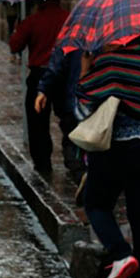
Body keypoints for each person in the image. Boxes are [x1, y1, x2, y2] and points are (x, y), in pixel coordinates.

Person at [75, 34, 140, 278]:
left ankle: (121, 255)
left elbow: (83, 107)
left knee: (95, 203)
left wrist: (85, 71)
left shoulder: (108, 63)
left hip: (116, 146)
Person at [8, 0, 69, 173]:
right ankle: (73, 159)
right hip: (63, 75)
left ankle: (43, 163)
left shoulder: (32, 21)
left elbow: (15, 45)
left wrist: (18, 28)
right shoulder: (68, 18)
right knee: (68, 118)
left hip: (39, 75)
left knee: (37, 123)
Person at [35, 47, 87, 188]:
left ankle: (81, 174)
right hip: (96, 100)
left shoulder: (72, 38)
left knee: (72, 140)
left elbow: (55, 67)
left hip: (74, 101)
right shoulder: (110, 38)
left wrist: (43, 90)